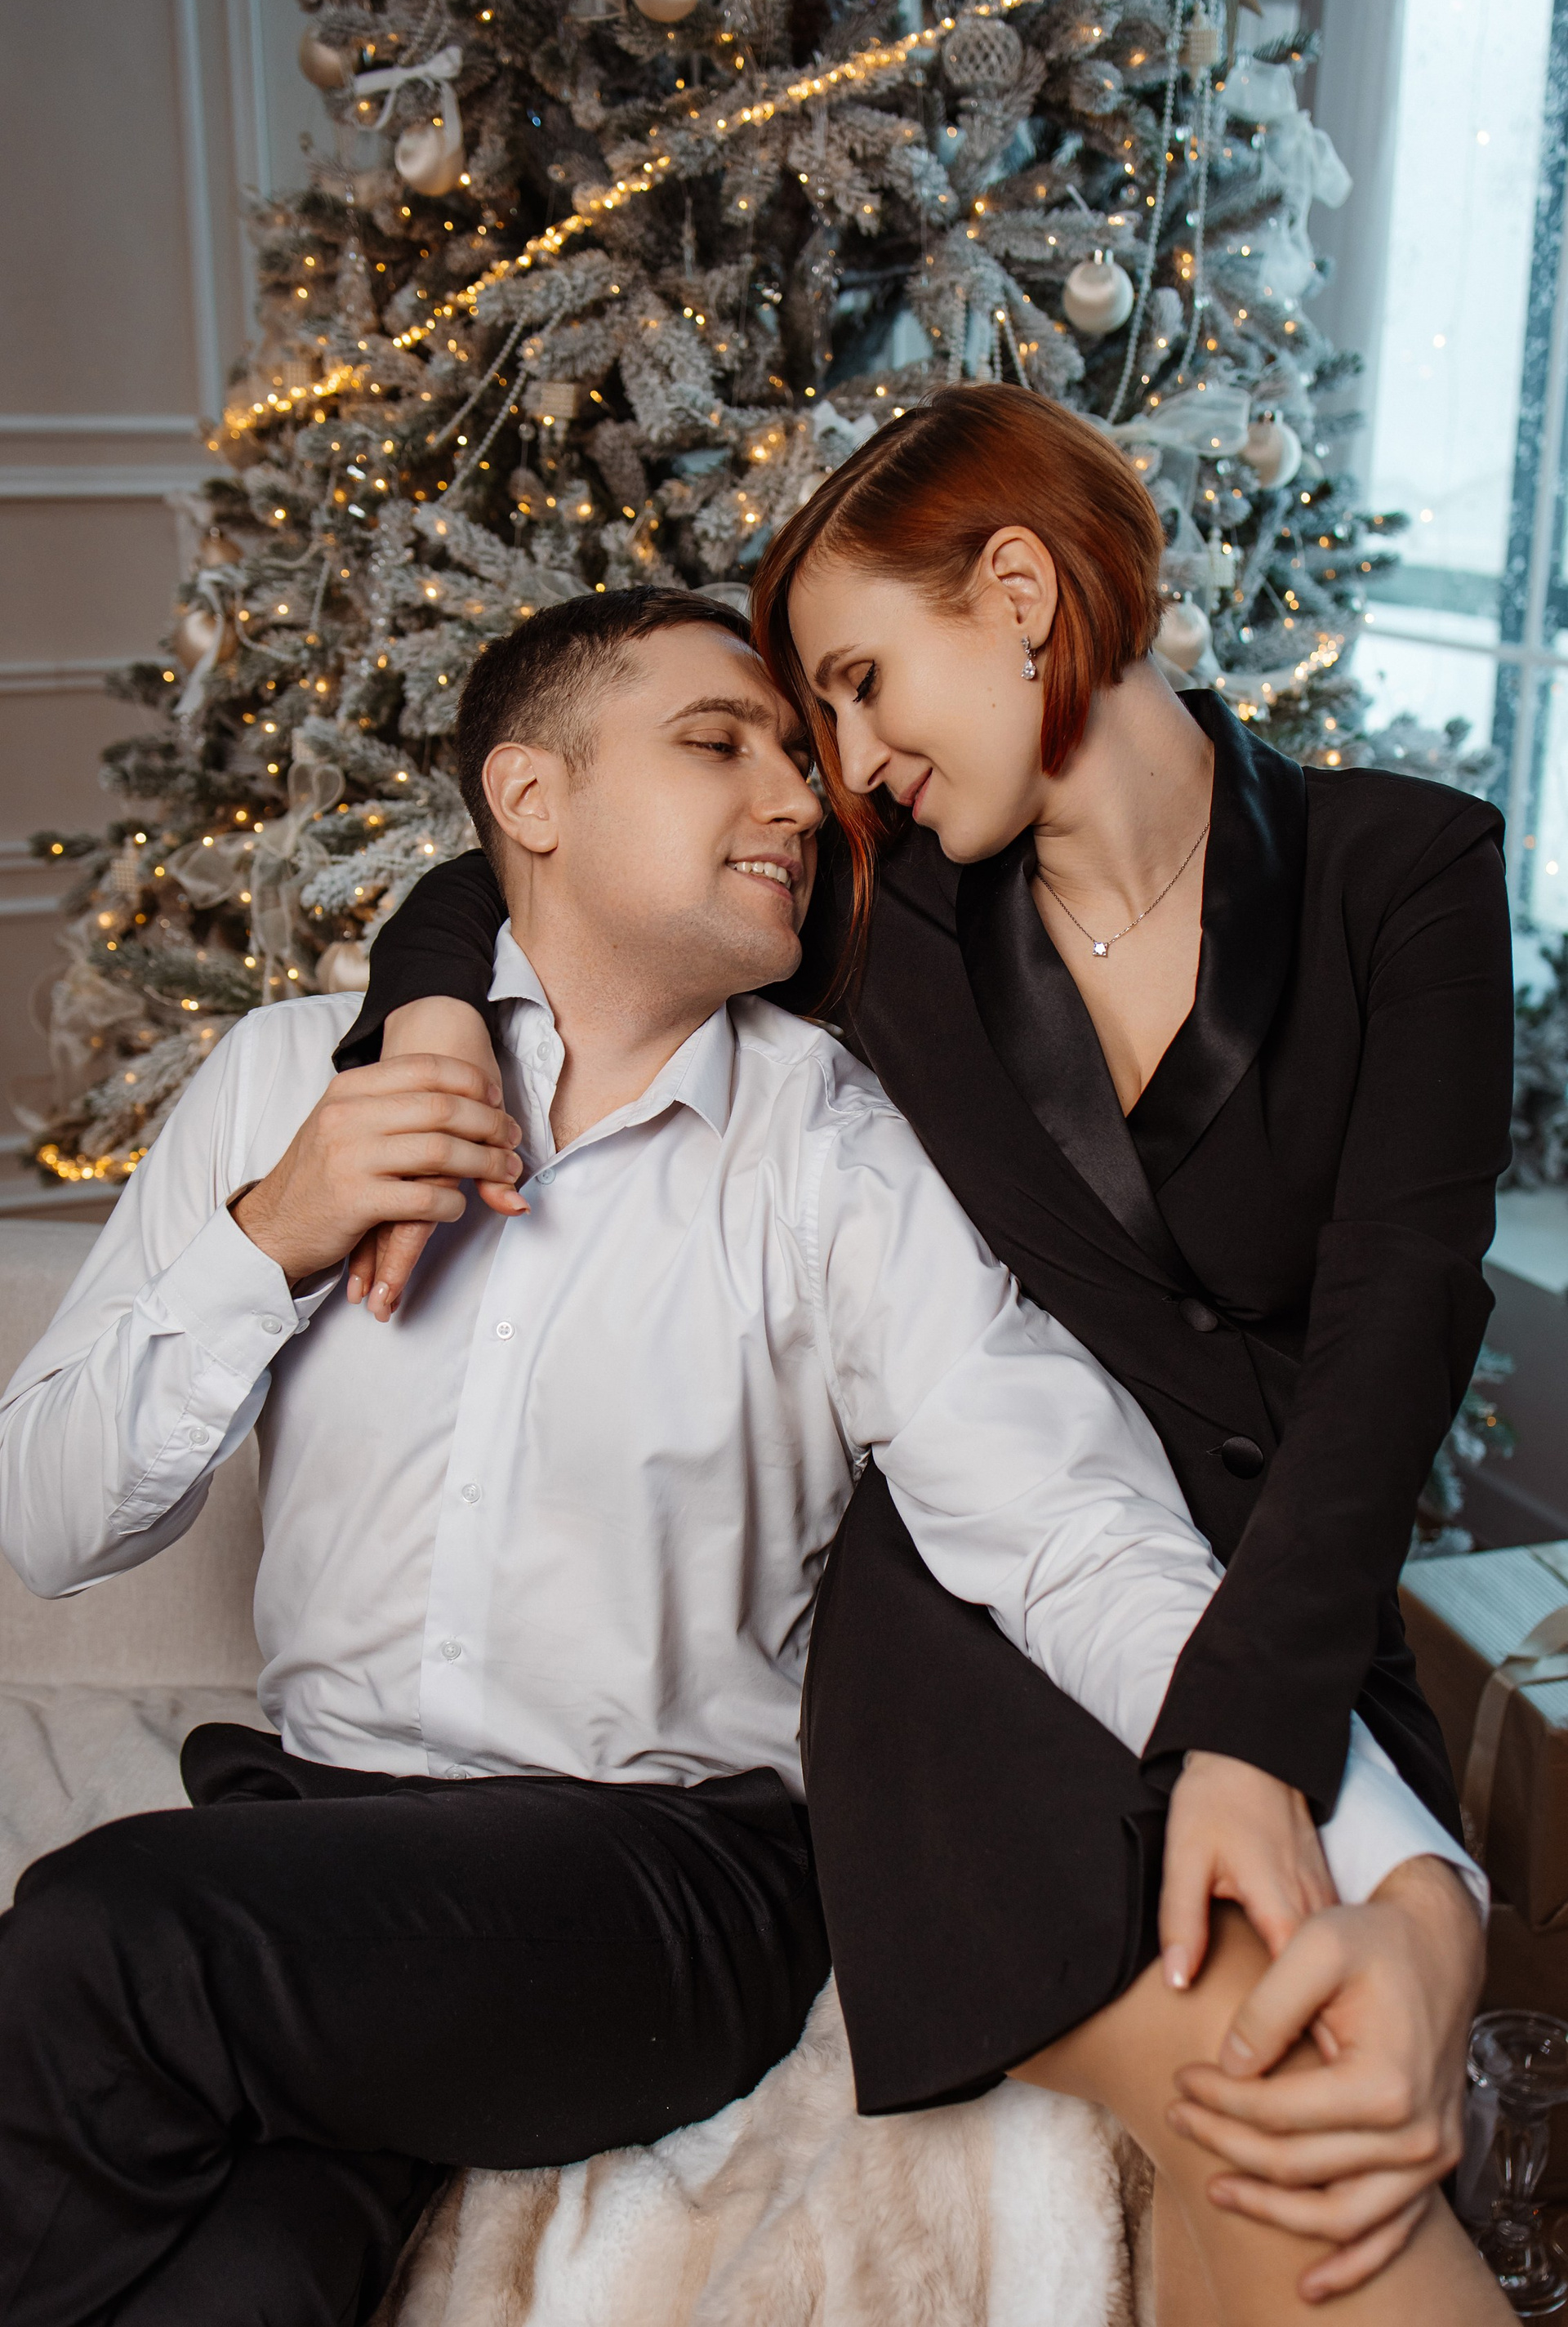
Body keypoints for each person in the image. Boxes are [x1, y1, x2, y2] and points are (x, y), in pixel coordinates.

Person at [0, 591, 1499, 2327]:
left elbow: (1074, 1534)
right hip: (311, 1853)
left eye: (801, 750)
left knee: (102, 1932)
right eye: (720, 745)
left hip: (659, 1887)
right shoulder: (287, 1082)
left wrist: (1403, 1869)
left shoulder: (837, 1153)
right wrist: (274, 1234)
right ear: (531, 799)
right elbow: (47, 1523)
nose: (800, 794)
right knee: (238, 2281)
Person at [343, 391, 1516, 2320]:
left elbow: (1402, 1317)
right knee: (1288, 2132)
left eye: (864, 686)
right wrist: (427, 1017)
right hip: (983, 1656)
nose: (851, 769)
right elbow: (520, 869)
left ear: (1022, 592)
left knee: (1275, 2167)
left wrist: (1305, 1778)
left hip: (1287, 1615)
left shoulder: (1406, 873)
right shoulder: (887, 926)